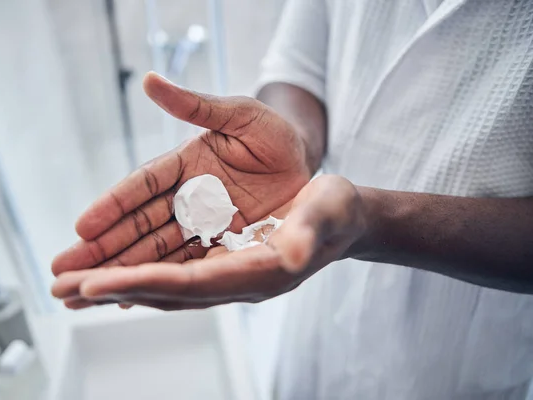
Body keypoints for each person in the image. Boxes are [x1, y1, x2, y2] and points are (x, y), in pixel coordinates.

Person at [51, 0, 533, 398]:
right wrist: (296, 144)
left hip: (464, 333)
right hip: (313, 269)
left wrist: (370, 221)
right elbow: (298, 68)